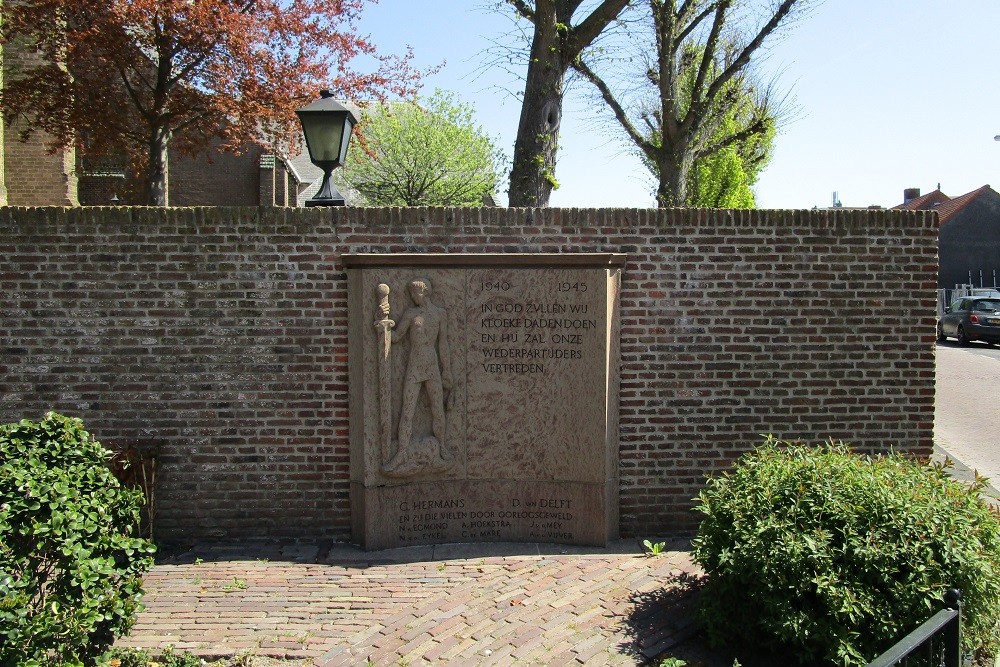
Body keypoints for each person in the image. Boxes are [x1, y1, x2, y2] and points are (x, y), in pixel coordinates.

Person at [382, 277, 454, 470]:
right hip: (414, 365)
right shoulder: (410, 313)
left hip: (431, 365)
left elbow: (443, 344)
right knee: (407, 410)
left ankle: (442, 447)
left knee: (437, 409)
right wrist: (385, 325)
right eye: (411, 293)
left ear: (425, 292)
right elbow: (397, 336)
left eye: (415, 292)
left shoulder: (440, 314)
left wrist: (446, 370)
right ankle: (401, 453)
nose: (413, 296)